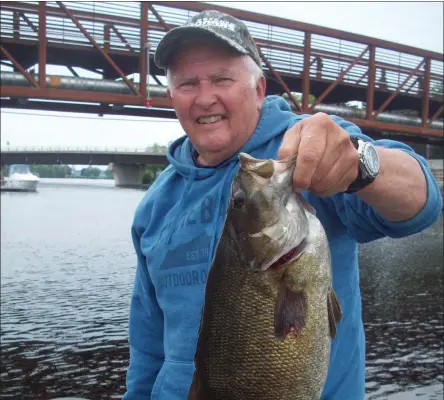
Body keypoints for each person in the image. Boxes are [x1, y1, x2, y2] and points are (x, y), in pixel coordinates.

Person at [123, 10, 442, 400]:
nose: (205, 97)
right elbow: (148, 343)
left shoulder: (308, 148)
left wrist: (361, 165)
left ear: (258, 90)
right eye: (188, 83)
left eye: (222, 78)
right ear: (172, 96)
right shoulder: (155, 206)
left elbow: (420, 205)